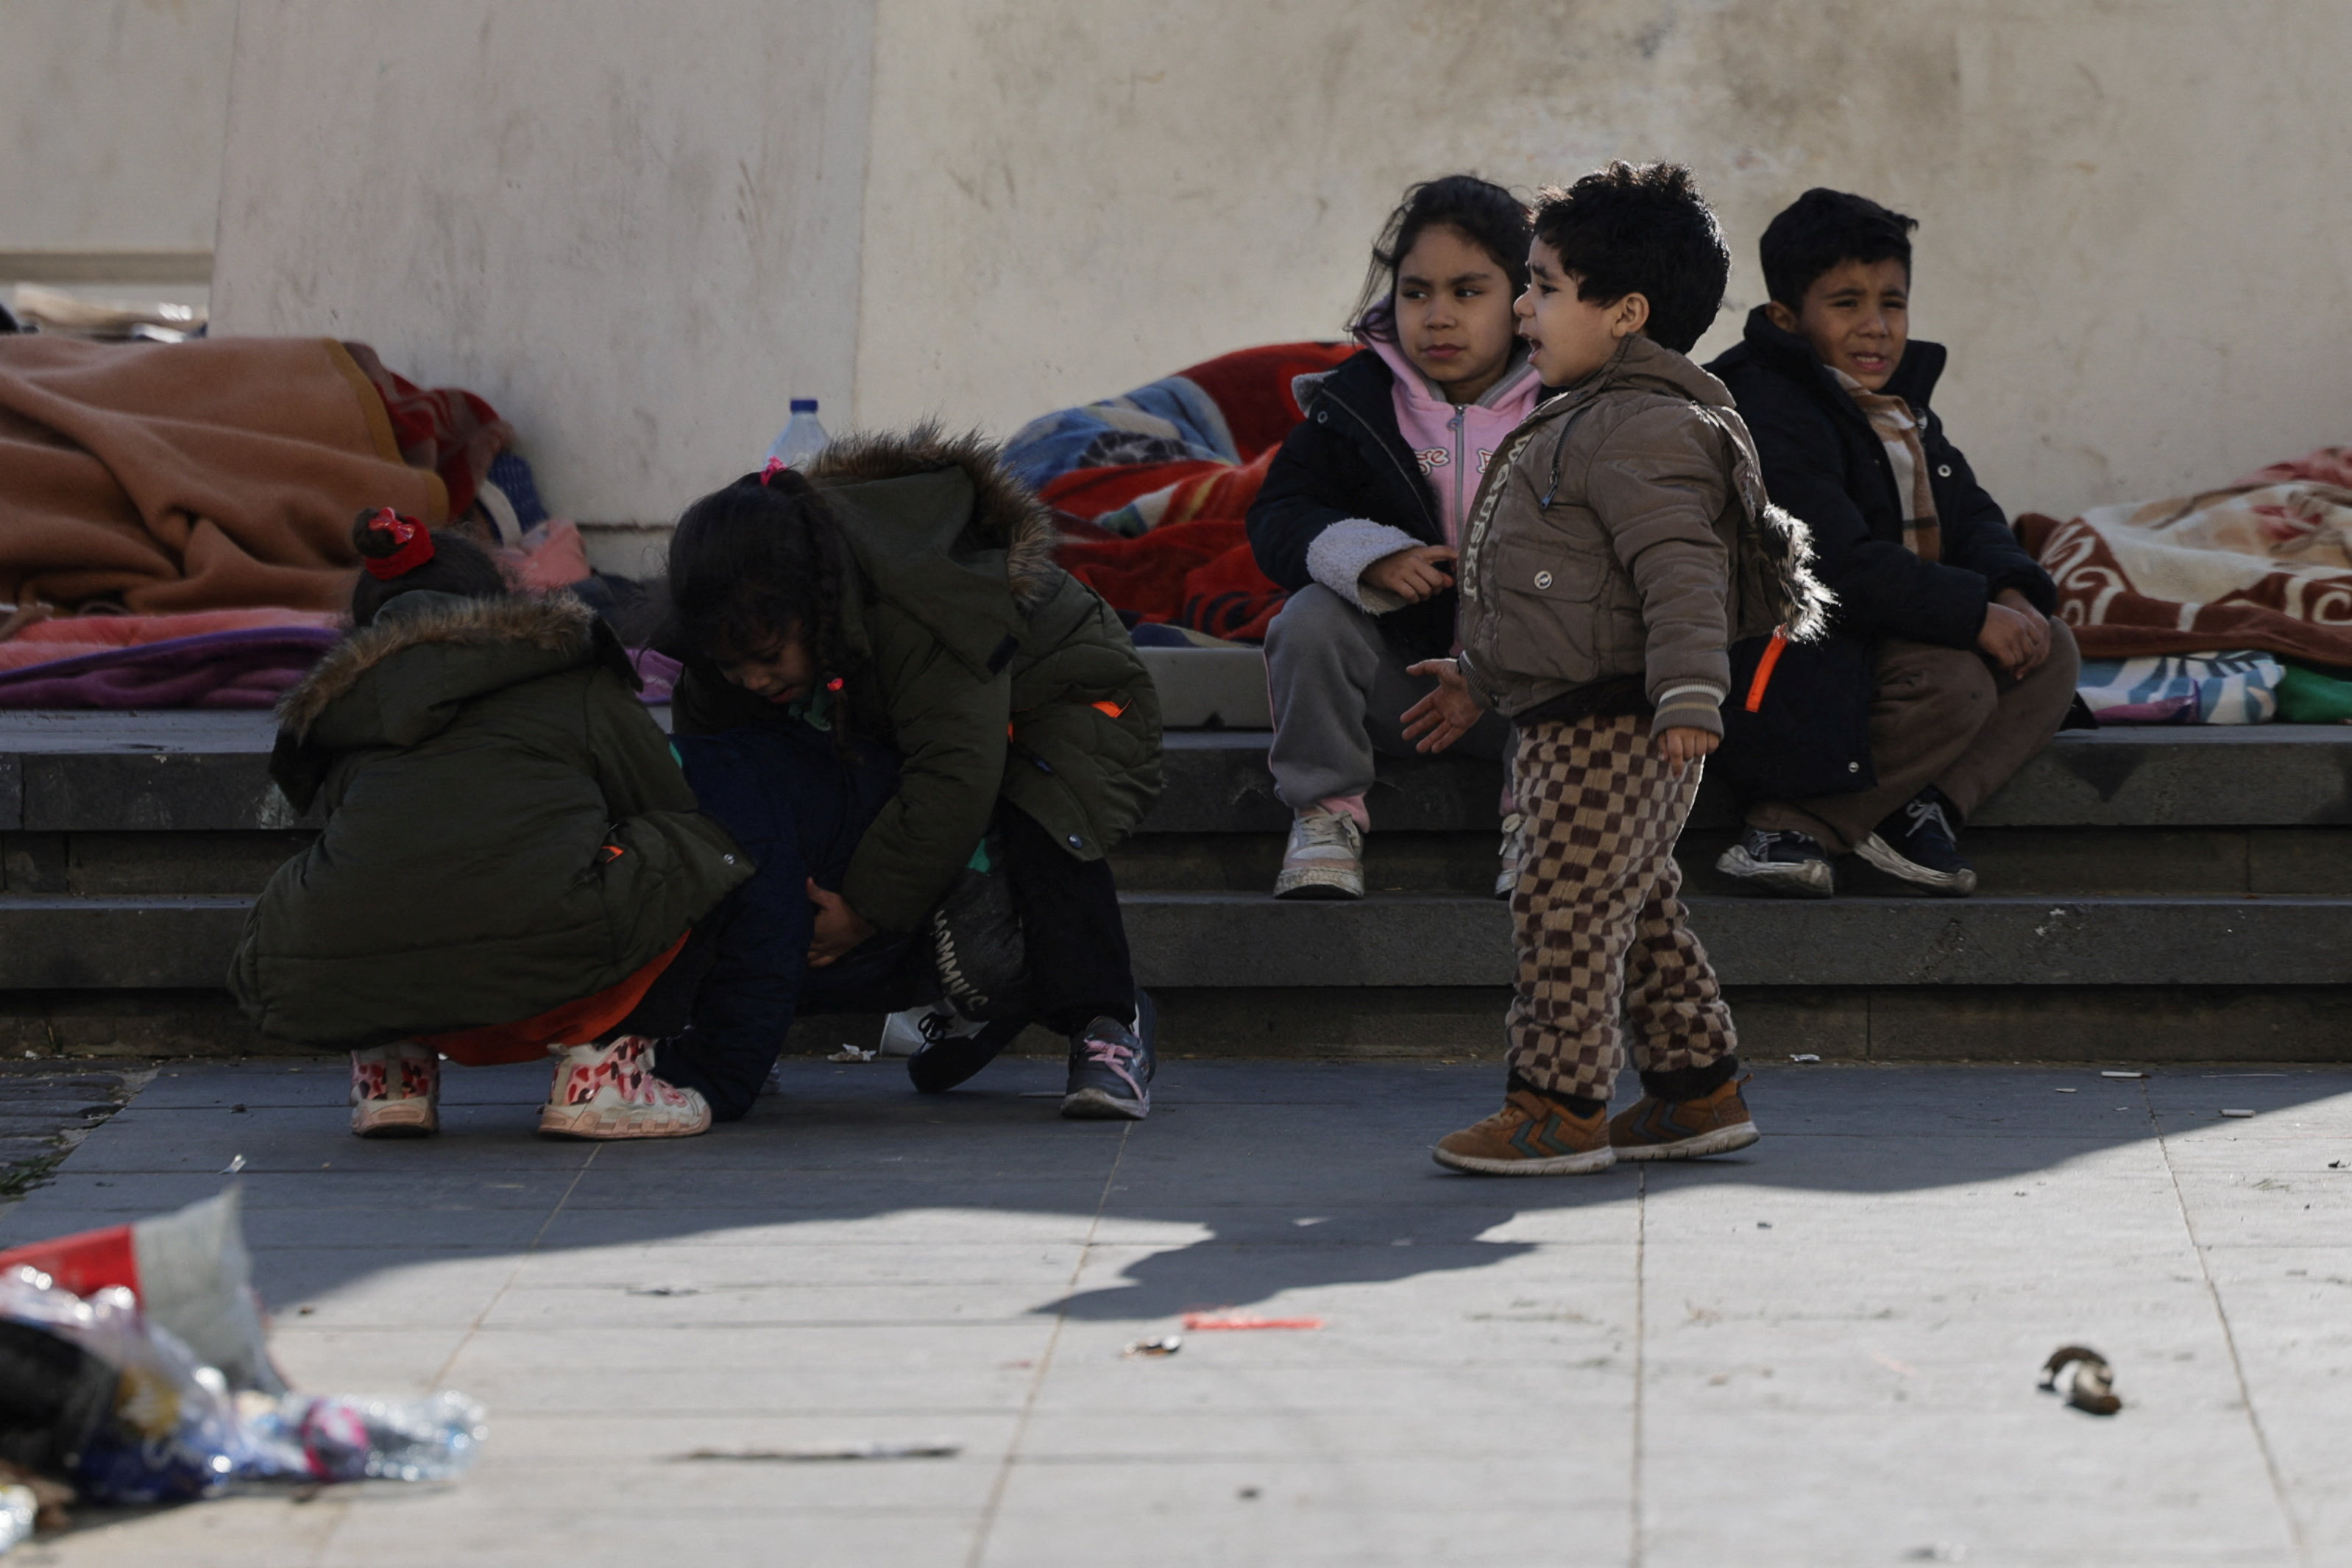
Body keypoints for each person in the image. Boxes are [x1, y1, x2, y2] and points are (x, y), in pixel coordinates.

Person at [1403, 163, 1829, 1175]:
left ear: (1625, 311)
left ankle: (1558, 1104)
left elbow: (1681, 572)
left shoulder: (1646, 427)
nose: (1522, 305)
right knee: (1633, 904)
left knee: (1561, 903)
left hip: (1619, 722)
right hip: (1569, 712)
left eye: (1546, 285)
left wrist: (1690, 691)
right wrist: (1481, 675)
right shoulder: (1588, 412)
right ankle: (1696, 1091)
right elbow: (1552, 593)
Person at [663, 435, 1166, 1118]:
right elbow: (722, 783)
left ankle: (1109, 1023)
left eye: (765, 656)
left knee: (1046, 813)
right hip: (928, 715)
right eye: (730, 666)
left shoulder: (918, 605)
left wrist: (864, 911)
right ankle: (980, 990)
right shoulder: (748, 631)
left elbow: (956, 774)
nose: (751, 679)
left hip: (1070, 698)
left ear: (812, 604)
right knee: (793, 790)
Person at [230, 509, 751, 1140]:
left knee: (372, 882)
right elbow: (663, 800)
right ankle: (605, 1080)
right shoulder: (568, 671)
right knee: (695, 851)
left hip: (351, 972)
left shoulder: (344, 709)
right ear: (495, 601)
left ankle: (393, 1074)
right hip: (548, 958)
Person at [1706, 188, 2079, 898]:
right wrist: (1972, 616)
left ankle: (1917, 811)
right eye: (1847, 303)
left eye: (1893, 303)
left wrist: (2007, 591)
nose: (1876, 327)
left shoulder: (1899, 409)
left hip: (1877, 635)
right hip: (1780, 659)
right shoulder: (1763, 405)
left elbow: (1972, 514)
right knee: (1955, 679)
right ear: (1788, 316)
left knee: (2051, 644)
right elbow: (1828, 563)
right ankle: (1788, 826)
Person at [1247, 174, 1543, 901]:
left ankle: (1538, 830)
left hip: (1525, 697)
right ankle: (1325, 817)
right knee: (1308, 620)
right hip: (1402, 696)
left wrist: (1490, 675)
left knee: (1595, 638)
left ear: (1522, 297)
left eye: (1467, 292)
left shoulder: (1568, 402)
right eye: (1416, 293)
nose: (1436, 317)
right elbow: (1280, 513)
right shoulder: (1358, 400)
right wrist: (1367, 557)